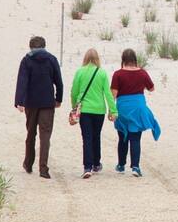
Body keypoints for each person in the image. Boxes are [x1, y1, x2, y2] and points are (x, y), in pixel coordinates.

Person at [14, 36, 63, 179]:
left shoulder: (26, 60)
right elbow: (58, 81)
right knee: (45, 135)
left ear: (30, 47)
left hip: (31, 102)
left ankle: (28, 163)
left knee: (31, 133)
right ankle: (43, 169)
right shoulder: (51, 59)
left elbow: (22, 81)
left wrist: (19, 101)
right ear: (44, 46)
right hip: (47, 102)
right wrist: (58, 98)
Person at [110, 48, 160, 177]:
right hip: (138, 108)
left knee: (122, 137)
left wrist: (111, 110)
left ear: (123, 60)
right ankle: (135, 167)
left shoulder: (118, 74)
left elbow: (113, 94)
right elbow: (152, 88)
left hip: (123, 108)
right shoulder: (142, 73)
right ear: (134, 60)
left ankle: (121, 165)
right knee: (135, 138)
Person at [68, 48, 117, 179]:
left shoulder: (80, 72)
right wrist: (113, 110)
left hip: (84, 109)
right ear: (97, 59)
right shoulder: (101, 73)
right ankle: (96, 163)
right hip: (99, 110)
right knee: (96, 136)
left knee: (87, 137)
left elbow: (74, 91)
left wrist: (74, 106)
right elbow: (107, 93)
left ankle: (87, 167)